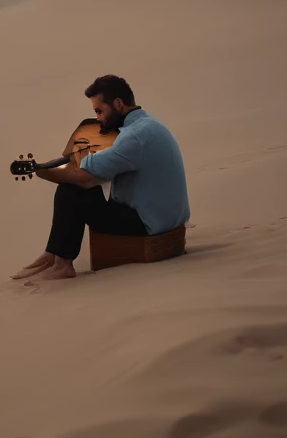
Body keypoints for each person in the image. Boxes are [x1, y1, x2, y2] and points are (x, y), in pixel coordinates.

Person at [13, 74, 190, 283]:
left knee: (71, 190)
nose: (98, 118)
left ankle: (62, 265)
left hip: (149, 223)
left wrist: (42, 171)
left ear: (118, 103)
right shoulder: (149, 124)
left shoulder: (132, 137)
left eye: (99, 111)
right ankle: (52, 254)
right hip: (169, 217)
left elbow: (86, 179)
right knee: (82, 188)